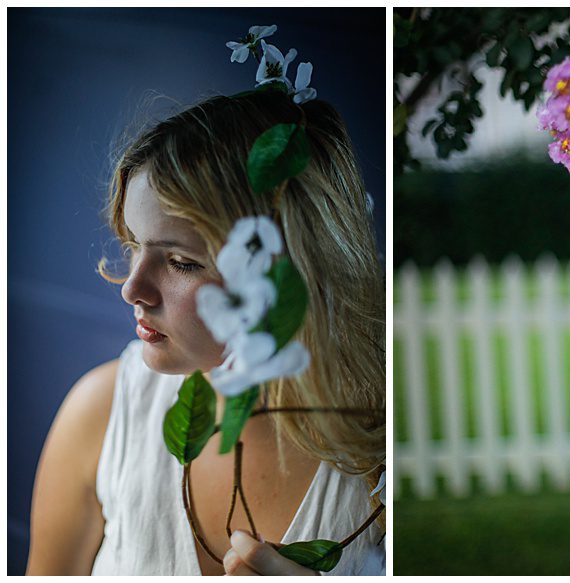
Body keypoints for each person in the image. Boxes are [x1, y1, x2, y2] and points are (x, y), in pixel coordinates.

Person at [27, 89, 386, 576]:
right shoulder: (100, 415)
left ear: (286, 270)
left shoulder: (377, 456)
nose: (132, 288)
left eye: (181, 262)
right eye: (134, 244)